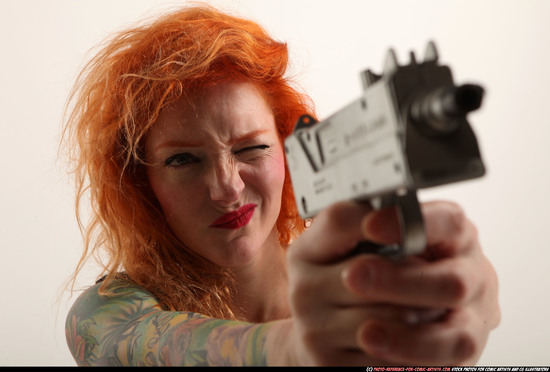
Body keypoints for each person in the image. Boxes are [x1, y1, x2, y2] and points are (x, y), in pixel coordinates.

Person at [62, 4, 500, 366]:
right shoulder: (105, 313)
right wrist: (297, 349)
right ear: (144, 184)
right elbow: (142, 347)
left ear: (289, 150)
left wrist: (465, 307)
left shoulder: (360, 281)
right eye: (183, 160)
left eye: (250, 148)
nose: (226, 189)